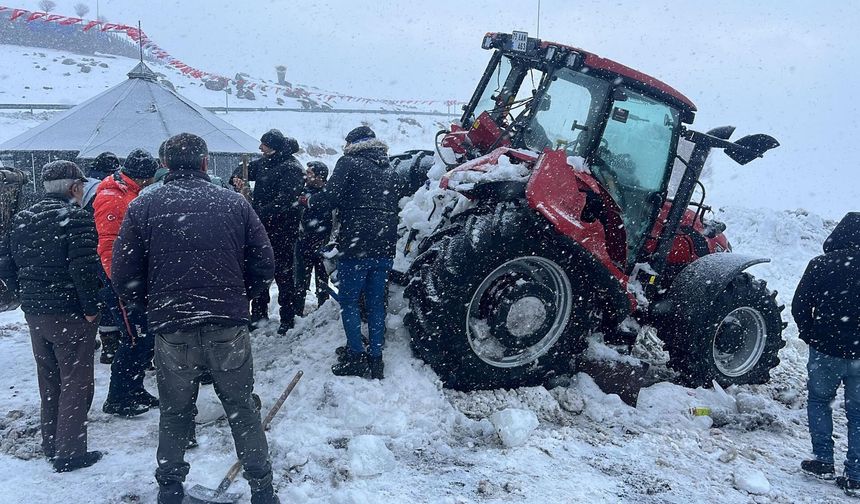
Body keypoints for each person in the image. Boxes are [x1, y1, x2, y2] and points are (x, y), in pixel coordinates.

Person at [111, 133, 279, 504]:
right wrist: (240, 299)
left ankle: (170, 488)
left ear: (166, 164)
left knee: (174, 410)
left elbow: (123, 274)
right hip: (227, 323)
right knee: (242, 408)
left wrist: (151, 307)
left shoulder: (144, 206)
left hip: (173, 327)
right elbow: (264, 262)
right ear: (205, 163)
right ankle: (263, 491)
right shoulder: (234, 203)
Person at [0, 160, 103, 472]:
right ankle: (69, 452)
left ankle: (51, 442)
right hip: (69, 310)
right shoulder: (76, 218)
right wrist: (90, 308)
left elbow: (6, 262)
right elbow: (83, 268)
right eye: (81, 185)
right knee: (76, 381)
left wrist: (25, 295)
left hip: (35, 312)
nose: (83, 190)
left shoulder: (23, 218)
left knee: (49, 379)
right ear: (73, 187)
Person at [309, 126, 406, 380]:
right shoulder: (391, 170)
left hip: (356, 245)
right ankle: (375, 358)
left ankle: (355, 356)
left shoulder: (349, 163)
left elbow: (330, 197)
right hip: (385, 246)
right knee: (375, 304)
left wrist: (309, 201)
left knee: (349, 301)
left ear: (352, 143)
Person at [794, 212, 860, 497]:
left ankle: (823, 462)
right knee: (858, 413)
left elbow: (799, 305)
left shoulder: (821, 265)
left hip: (825, 349)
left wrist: (811, 334)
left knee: (820, 401)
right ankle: (856, 475)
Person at [93, 148, 159, 417]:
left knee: (143, 337)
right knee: (134, 338)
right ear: (143, 177)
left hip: (131, 279)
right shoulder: (113, 198)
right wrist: (120, 283)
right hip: (123, 283)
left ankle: (134, 388)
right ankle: (118, 397)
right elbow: (107, 245)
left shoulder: (127, 193)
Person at [230, 129, 304, 334]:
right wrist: (236, 177)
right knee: (259, 271)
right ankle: (259, 315)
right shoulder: (265, 163)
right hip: (262, 230)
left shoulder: (291, 168)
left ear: (274, 146)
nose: (260, 148)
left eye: (264, 144)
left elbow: (286, 202)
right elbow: (244, 169)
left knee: (283, 274)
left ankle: (288, 317)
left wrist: (257, 212)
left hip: (283, 231)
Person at [294, 161, 333, 316]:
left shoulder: (329, 193)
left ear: (319, 176)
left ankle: (323, 313)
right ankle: (297, 313)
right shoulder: (302, 191)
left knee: (323, 281)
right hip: (303, 242)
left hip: (324, 242)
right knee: (300, 281)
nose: (306, 176)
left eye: (309, 173)